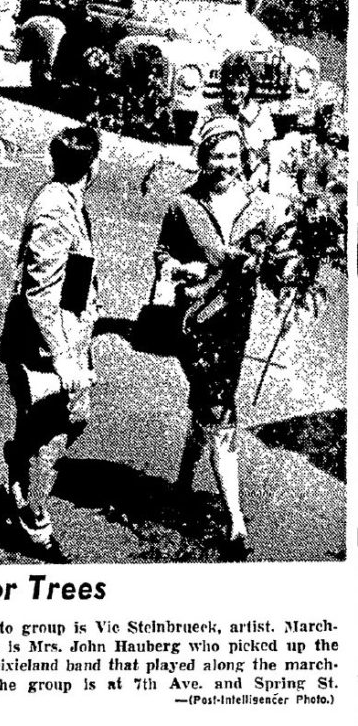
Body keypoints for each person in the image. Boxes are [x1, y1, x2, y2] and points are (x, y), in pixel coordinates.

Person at [154, 116, 280, 558]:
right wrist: (180, 271)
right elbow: (163, 255)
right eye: (216, 156)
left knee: (209, 402)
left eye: (232, 156)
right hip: (195, 323)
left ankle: (184, 481)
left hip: (236, 325)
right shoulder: (183, 206)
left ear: (243, 157)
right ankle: (235, 522)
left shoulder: (263, 207)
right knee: (218, 410)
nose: (225, 165)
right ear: (202, 158)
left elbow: (275, 261)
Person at [0, 125, 101, 557]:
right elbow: (40, 290)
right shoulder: (57, 209)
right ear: (93, 167)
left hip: (64, 335)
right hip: (44, 343)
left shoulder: (63, 199)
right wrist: (61, 356)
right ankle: (34, 518)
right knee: (59, 428)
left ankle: (20, 463)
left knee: (61, 421)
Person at [197, 53, 277, 188]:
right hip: (215, 184)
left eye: (241, 84)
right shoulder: (209, 113)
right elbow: (196, 156)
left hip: (251, 187)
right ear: (223, 84)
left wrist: (251, 186)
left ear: (250, 86)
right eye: (230, 83)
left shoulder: (261, 115)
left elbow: (265, 161)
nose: (235, 90)